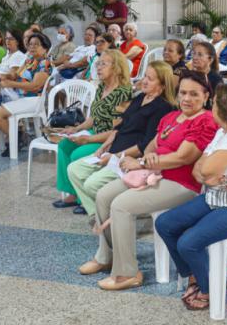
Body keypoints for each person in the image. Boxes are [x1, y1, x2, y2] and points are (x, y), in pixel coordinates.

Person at [78, 71, 218, 291]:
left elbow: (184, 157)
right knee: (104, 196)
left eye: (194, 94)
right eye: (183, 93)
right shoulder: (170, 118)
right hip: (154, 174)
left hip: (182, 183)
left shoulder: (205, 121)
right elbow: (151, 147)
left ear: (206, 96)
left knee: (121, 206)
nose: (187, 99)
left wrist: (143, 164)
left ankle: (128, 273)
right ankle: (107, 256)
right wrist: (139, 159)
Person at [155, 83, 227, 309]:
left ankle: (210, 291)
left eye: (214, 102)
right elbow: (200, 170)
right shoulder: (221, 133)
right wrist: (209, 174)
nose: (211, 106)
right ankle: (195, 275)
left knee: (188, 242)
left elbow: (205, 169)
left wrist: (209, 172)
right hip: (216, 197)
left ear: (222, 107)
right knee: (165, 223)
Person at [67, 62, 176, 217]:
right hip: (113, 151)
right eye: (145, 76)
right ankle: (95, 214)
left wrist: (116, 156)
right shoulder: (140, 98)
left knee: (91, 184)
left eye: (150, 79)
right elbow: (120, 127)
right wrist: (102, 148)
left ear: (163, 85)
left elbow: (145, 145)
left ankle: (112, 213)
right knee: (74, 170)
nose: (144, 81)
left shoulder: (163, 108)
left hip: (130, 158)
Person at [53, 50, 133, 212]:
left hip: (109, 140)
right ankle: (72, 193)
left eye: (104, 64)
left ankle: (86, 198)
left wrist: (88, 139)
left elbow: (116, 130)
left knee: (77, 154)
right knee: (64, 145)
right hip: (94, 133)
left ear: (117, 68)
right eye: (98, 63)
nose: (98, 67)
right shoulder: (102, 87)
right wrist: (76, 129)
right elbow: (93, 117)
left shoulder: (123, 93)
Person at [0, 33, 52, 157]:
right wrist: (5, 76)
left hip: (33, 99)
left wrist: (10, 83)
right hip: (20, 96)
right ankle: (18, 135)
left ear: (45, 48)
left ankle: (17, 139)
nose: (32, 47)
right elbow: (15, 75)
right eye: (30, 44)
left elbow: (34, 86)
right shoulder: (29, 60)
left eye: (36, 44)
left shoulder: (44, 63)